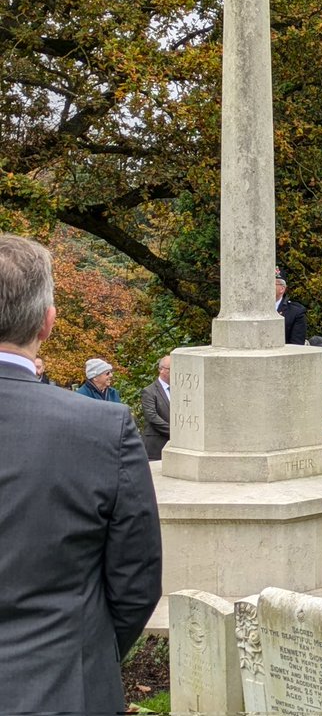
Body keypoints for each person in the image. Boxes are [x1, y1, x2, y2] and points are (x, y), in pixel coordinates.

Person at [0, 234, 161, 715]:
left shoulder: (103, 425)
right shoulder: (101, 428)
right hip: (63, 685)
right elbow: (136, 582)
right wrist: (87, 653)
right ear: (48, 323)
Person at [140, 354, 171, 461]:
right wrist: (175, 432)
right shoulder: (149, 391)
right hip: (156, 447)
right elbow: (152, 417)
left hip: (175, 447)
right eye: (171, 369)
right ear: (161, 370)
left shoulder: (179, 391)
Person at [275, 267, 308, 345]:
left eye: (270, 284)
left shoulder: (295, 312)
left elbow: (296, 346)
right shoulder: (253, 310)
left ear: (282, 289)